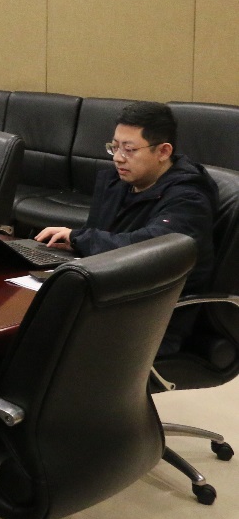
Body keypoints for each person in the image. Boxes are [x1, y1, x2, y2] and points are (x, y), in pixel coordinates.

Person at [36, 101, 218, 352]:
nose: (118, 158)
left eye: (129, 149)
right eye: (115, 147)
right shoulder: (119, 181)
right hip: (107, 296)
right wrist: (71, 245)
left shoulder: (189, 197)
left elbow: (151, 249)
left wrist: (80, 238)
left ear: (163, 151)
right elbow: (99, 238)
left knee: (37, 340)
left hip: (150, 319)